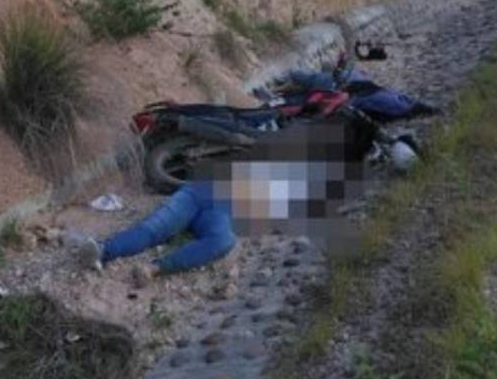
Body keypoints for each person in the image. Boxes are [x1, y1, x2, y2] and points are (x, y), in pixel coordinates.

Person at [76, 114, 382, 283]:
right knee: (157, 228)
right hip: (201, 191)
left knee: (222, 242)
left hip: (222, 214)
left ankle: (155, 269)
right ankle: (102, 251)